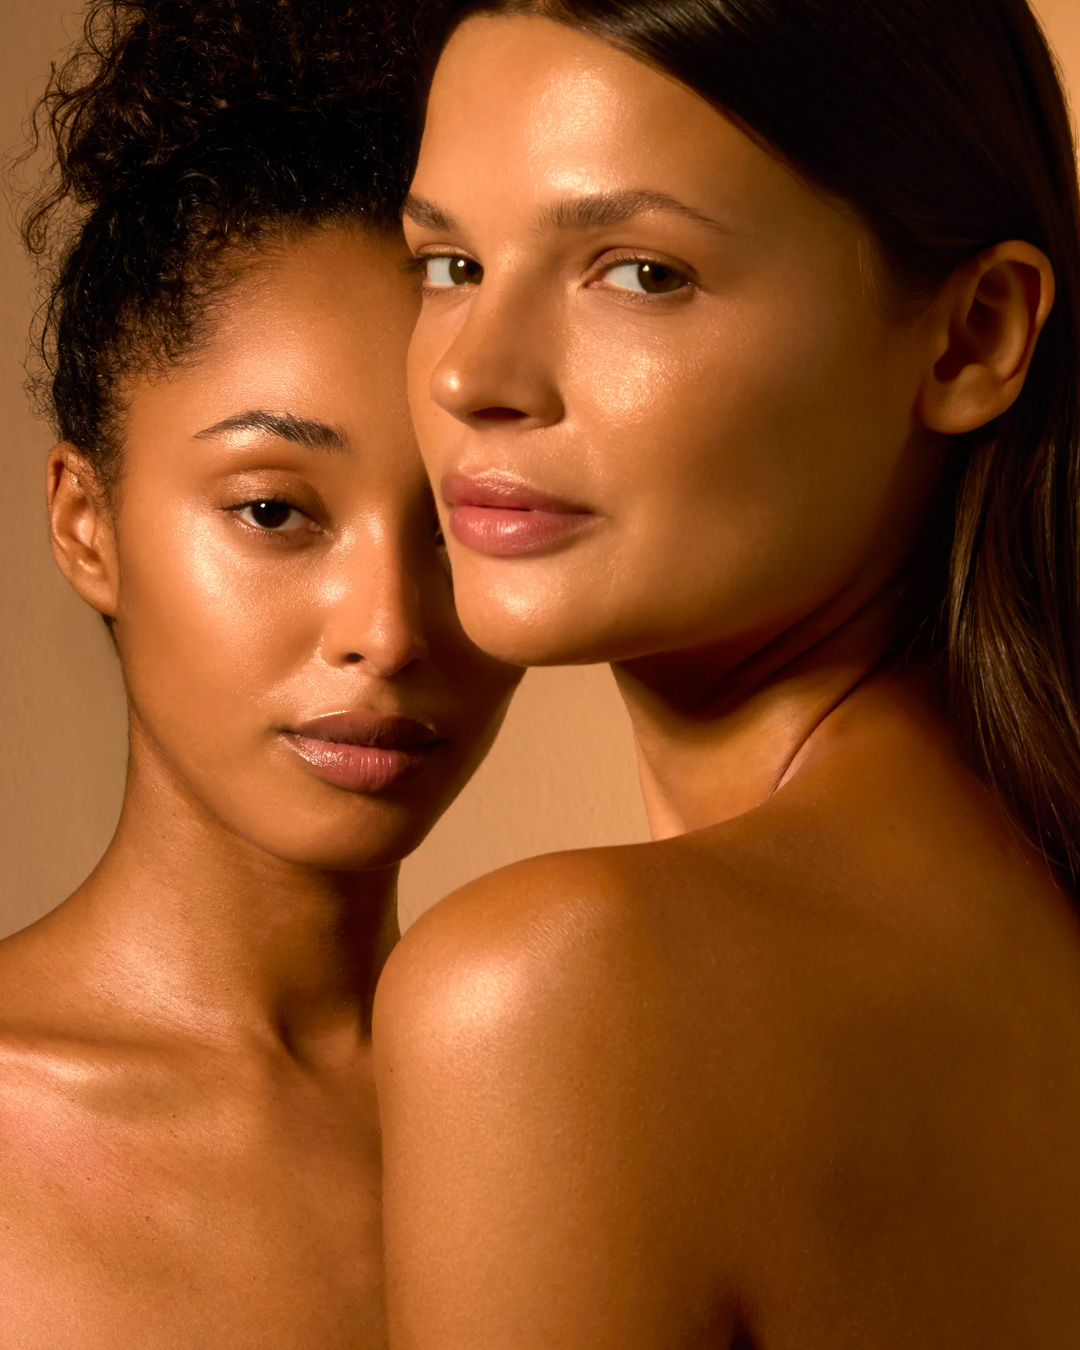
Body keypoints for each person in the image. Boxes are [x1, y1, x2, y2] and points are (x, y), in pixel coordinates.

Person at [375, 0, 1080, 1343]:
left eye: (640, 272)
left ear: (973, 335)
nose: (474, 374)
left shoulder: (564, 994)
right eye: (450, 262)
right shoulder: (1030, 916)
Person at [0, 1, 518, 1344]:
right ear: (85, 521)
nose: (392, 628)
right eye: (277, 510)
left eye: (467, 520)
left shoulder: (594, 1111)